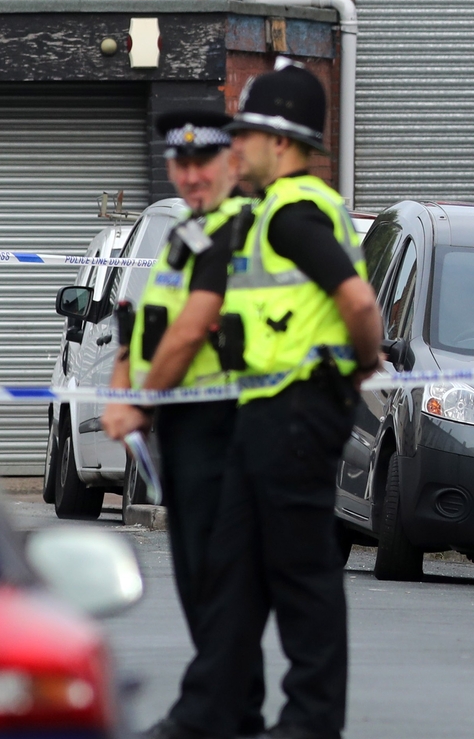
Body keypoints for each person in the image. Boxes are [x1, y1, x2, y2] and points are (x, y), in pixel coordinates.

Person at [159, 59, 383, 739]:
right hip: (265, 412)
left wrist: (361, 362)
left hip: (297, 412)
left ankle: (311, 721)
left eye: (246, 133)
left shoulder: (293, 213)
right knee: (231, 568)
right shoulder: (267, 215)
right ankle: (210, 711)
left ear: (279, 141)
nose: (236, 146)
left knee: (301, 571)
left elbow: (358, 301)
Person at [101, 109, 267, 737]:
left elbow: (196, 325)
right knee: (203, 568)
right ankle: (239, 710)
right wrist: (122, 372)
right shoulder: (186, 233)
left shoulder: (235, 229)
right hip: (184, 420)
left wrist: (139, 400)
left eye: (205, 163)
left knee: (216, 572)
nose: (192, 175)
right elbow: (151, 324)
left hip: (219, 419)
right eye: (182, 163)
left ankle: (206, 712)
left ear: (231, 163)